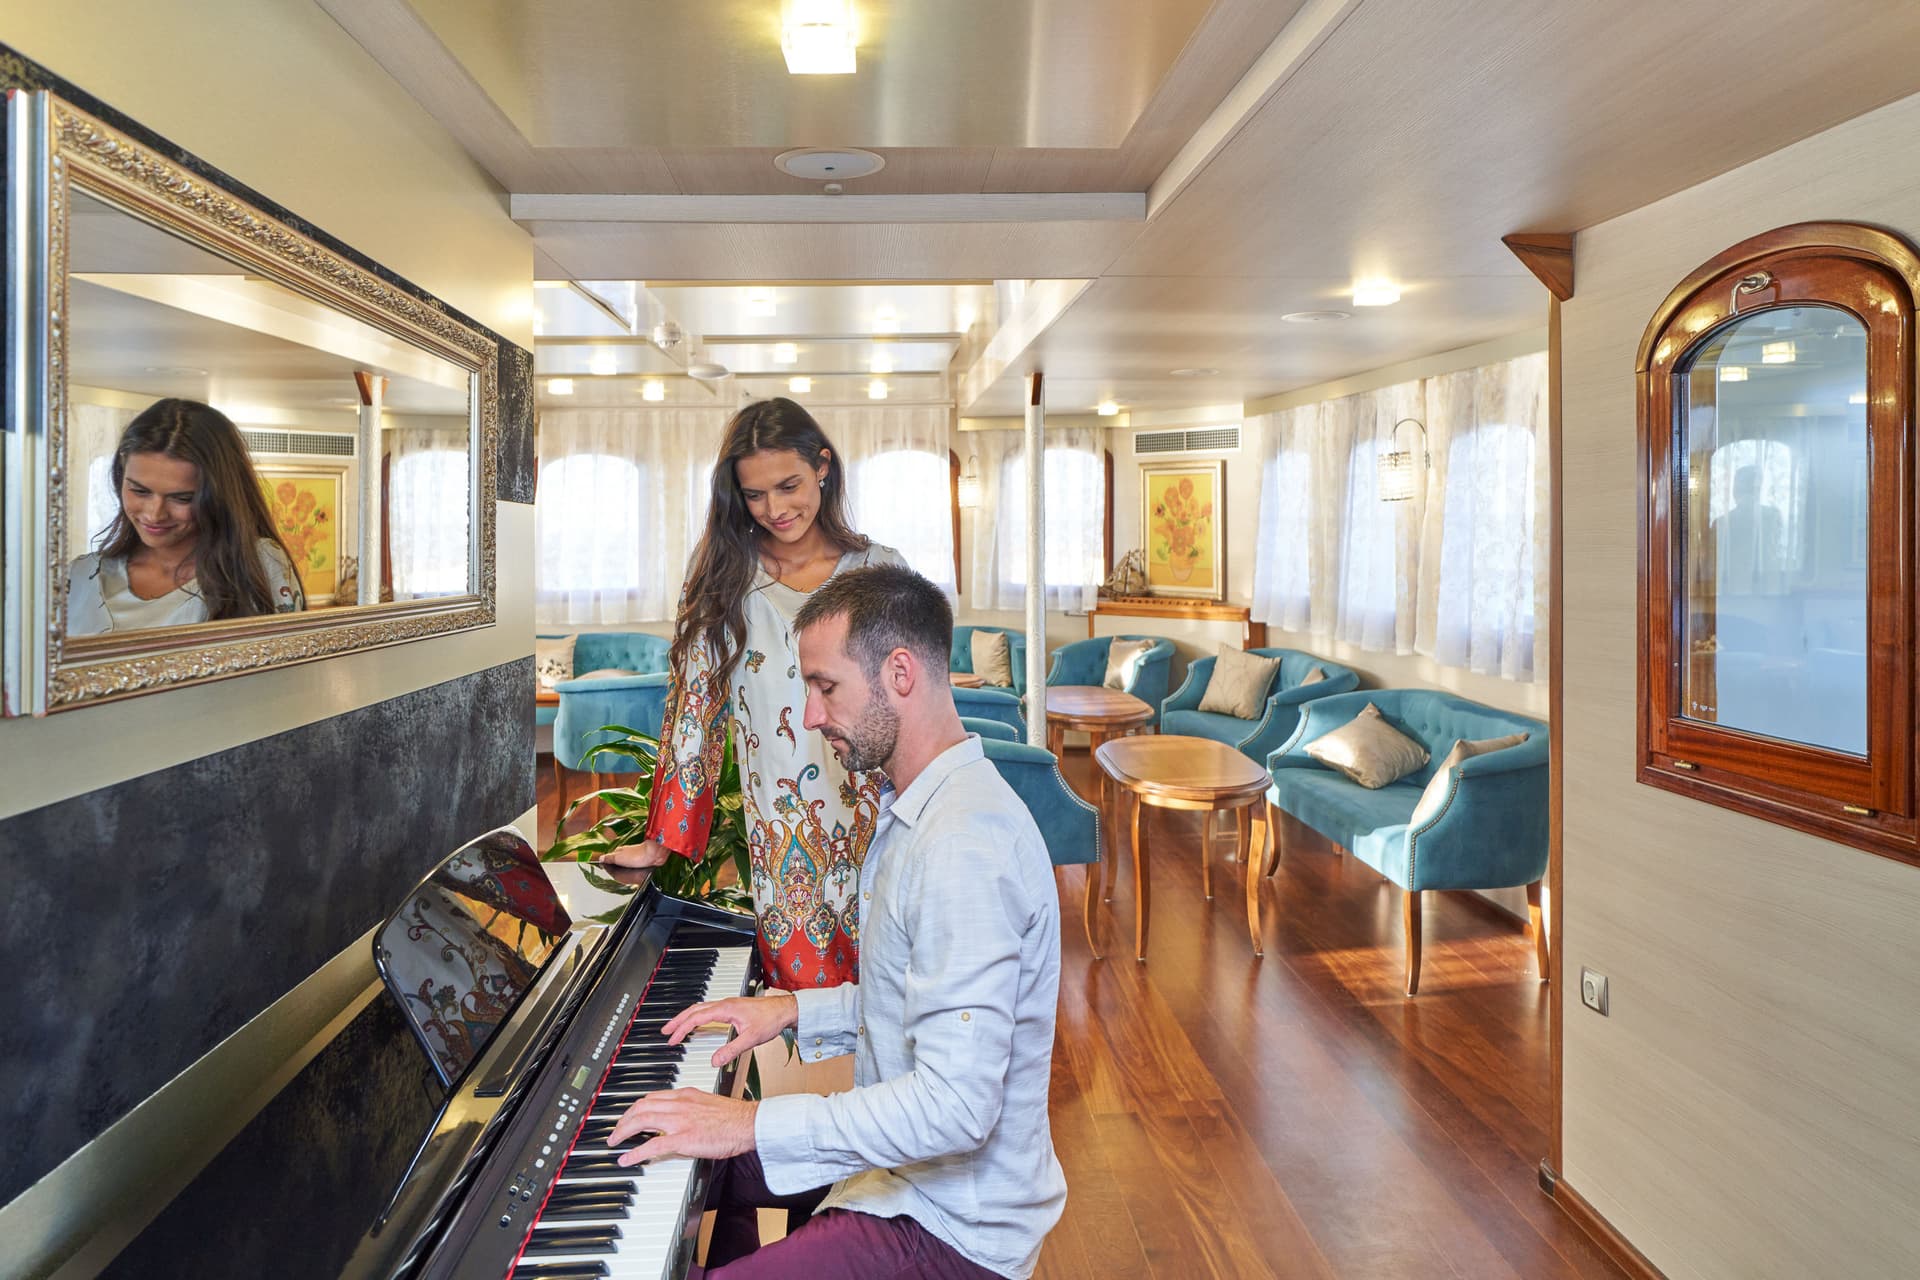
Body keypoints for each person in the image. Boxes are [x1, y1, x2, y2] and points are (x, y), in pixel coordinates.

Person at [603, 564, 1066, 1279]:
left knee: (721, 1147)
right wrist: (791, 1010)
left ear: (900, 674)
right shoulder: (922, 808)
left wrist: (750, 1122)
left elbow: (955, 1108)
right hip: (902, 1176)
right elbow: (914, 1003)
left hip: (949, 1228)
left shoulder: (964, 844)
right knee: (685, 1158)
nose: (811, 716)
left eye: (825, 687)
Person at [595, 398, 904, 991]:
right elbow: (695, 710)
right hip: (786, 844)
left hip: (884, 822)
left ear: (822, 466)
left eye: (788, 486)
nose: (775, 510)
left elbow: (917, 702)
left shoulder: (881, 571)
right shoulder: (723, 575)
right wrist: (659, 844)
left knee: (897, 999)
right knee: (803, 1011)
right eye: (755, 495)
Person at [66, 398, 305, 635]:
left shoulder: (259, 565)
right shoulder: (78, 576)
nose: (155, 514)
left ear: (219, 495)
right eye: (139, 491)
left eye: (181, 498)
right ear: (119, 478)